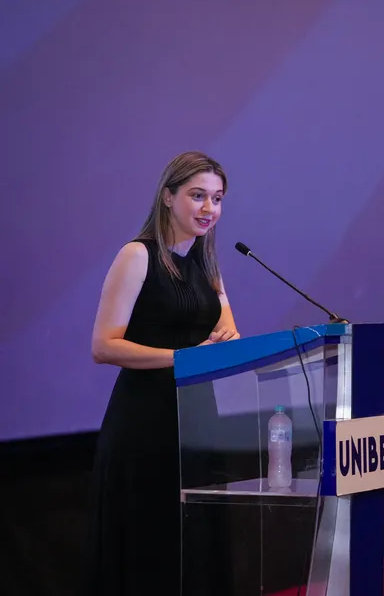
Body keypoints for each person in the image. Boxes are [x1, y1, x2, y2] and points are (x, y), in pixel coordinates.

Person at [86, 151, 239, 595]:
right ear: (168, 197)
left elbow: (228, 334)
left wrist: (226, 345)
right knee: (152, 547)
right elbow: (103, 346)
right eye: (198, 195)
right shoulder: (138, 255)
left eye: (217, 198)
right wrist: (183, 357)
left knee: (197, 547)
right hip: (146, 423)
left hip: (200, 423)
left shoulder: (207, 266)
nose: (209, 208)